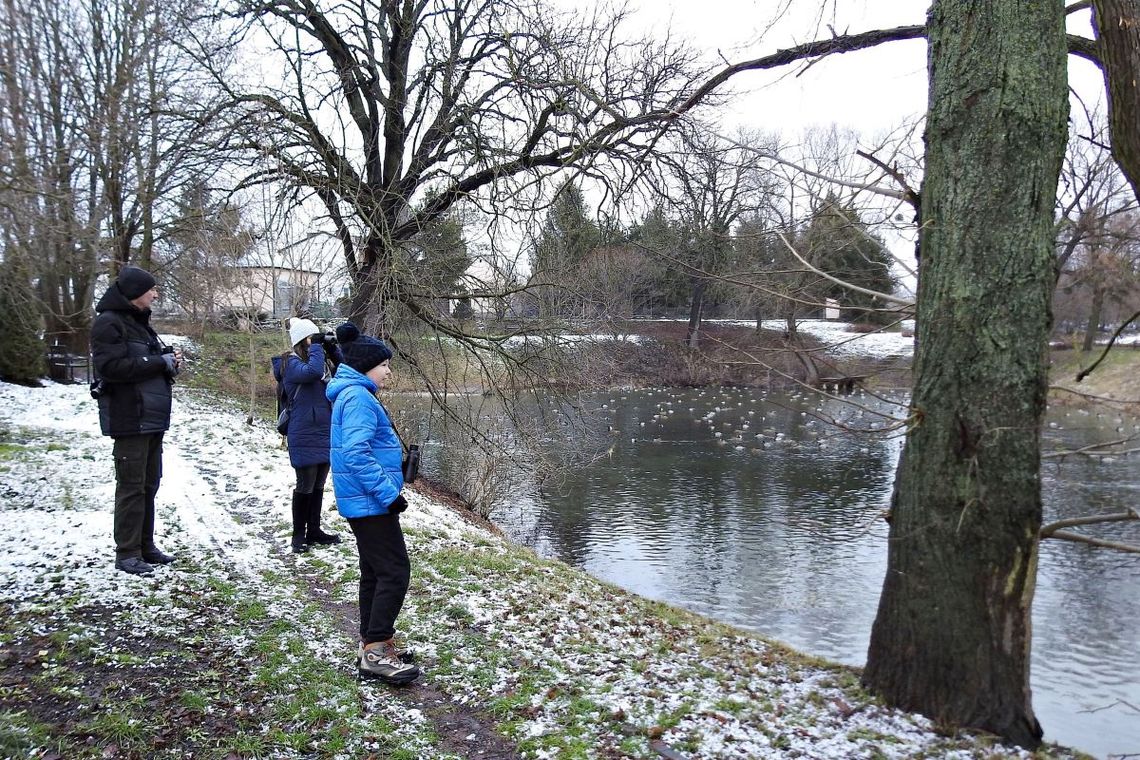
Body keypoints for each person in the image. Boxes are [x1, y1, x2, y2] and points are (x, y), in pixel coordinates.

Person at [326, 322, 420, 684]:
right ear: (367, 366)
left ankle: (373, 643)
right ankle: (376, 652)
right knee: (395, 572)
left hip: (363, 501)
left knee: (375, 573)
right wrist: (388, 495)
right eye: (384, 365)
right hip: (370, 502)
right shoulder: (359, 398)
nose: (388, 370)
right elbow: (355, 454)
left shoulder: (352, 393)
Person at [90, 265, 182, 576]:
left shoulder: (140, 325)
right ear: (134, 293)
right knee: (130, 487)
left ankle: (146, 546)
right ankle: (127, 553)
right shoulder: (108, 324)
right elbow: (111, 367)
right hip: (130, 417)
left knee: (149, 484)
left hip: (152, 418)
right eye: (151, 290)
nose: (155, 294)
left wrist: (169, 362)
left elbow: (146, 361)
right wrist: (159, 362)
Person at [271, 317, 343, 554]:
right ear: (303, 341)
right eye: (313, 338)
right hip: (303, 430)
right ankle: (298, 535)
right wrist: (316, 347)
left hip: (324, 429)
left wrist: (332, 348)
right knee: (305, 484)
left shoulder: (320, 362)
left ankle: (314, 530)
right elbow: (311, 372)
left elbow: (344, 371)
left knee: (319, 484)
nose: (317, 343)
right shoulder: (290, 364)